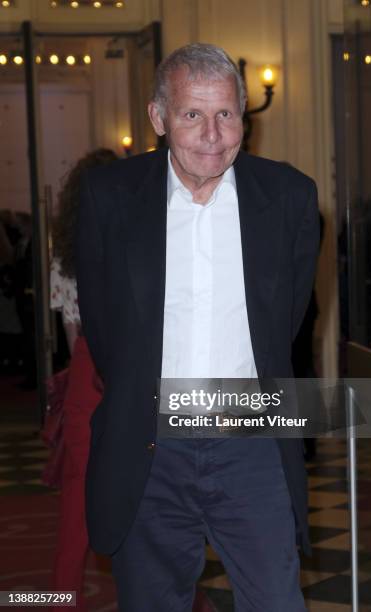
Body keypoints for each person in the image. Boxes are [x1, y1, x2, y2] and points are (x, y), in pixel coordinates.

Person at [76, 43, 320, 611]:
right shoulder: (110, 197)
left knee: (277, 601)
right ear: (159, 118)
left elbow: (285, 321)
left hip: (251, 440)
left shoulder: (289, 197)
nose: (212, 134)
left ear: (244, 118)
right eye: (192, 114)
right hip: (149, 443)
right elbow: (106, 331)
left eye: (226, 114)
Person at [49, 149, 118, 611]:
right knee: (150, 500)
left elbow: (71, 335)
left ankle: (60, 600)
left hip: (84, 374)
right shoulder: (127, 242)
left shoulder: (66, 257)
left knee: (76, 504)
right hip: (125, 371)